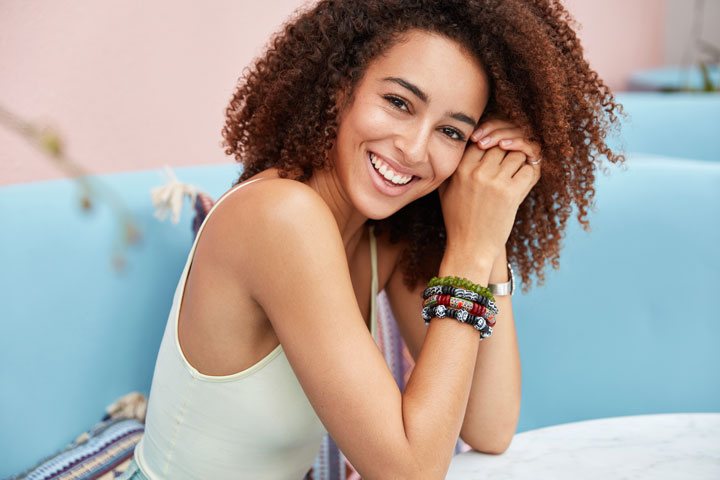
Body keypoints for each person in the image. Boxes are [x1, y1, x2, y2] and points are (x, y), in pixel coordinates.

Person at [124, 0, 624, 478]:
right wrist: (470, 250)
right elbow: (409, 471)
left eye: (452, 132)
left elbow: (489, 426)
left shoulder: (383, 238)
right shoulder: (278, 217)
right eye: (398, 102)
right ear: (341, 86)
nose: (413, 148)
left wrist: (489, 224)